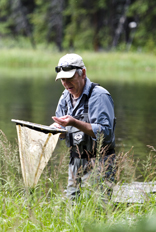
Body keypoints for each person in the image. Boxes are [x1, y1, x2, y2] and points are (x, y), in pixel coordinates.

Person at [51, 53, 116, 200]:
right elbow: (63, 133)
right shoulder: (65, 96)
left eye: (70, 78)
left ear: (83, 73)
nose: (66, 83)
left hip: (100, 162)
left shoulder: (100, 96)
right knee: (72, 207)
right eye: (62, 79)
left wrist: (75, 122)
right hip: (75, 162)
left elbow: (106, 133)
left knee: (98, 208)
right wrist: (56, 130)